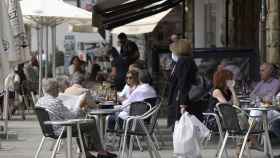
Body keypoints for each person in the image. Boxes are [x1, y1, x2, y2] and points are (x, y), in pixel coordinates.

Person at [36, 78, 116, 158]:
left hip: (48, 130)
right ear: (52, 89)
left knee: (79, 126)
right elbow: (72, 116)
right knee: (91, 122)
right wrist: (80, 105)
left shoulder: (40, 101)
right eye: (57, 87)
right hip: (60, 129)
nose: (59, 89)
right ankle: (101, 152)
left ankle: (86, 153)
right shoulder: (56, 102)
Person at [167, 39, 198, 128]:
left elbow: (183, 82)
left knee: (179, 126)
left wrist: (182, 103)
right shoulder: (183, 60)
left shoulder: (184, 61)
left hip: (180, 98)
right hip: (179, 97)